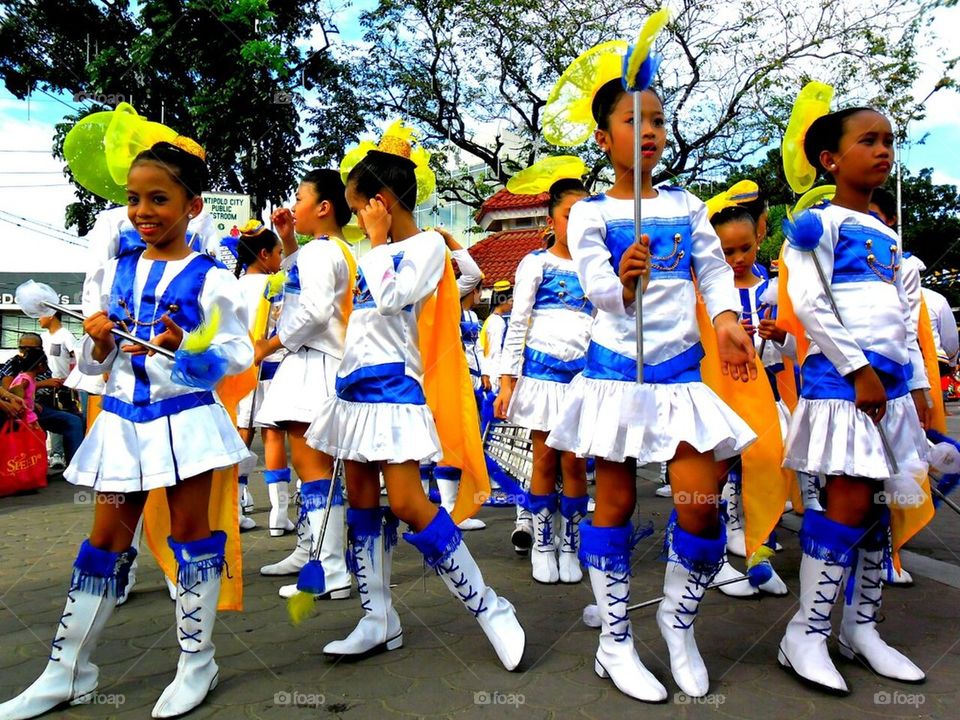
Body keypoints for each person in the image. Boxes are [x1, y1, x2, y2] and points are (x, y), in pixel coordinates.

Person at [0, 138, 253, 719]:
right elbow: (90, 371)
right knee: (106, 543)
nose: (142, 212)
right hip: (120, 426)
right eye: (135, 199)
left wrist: (184, 344)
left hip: (185, 424)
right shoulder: (110, 273)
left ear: (192, 206)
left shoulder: (213, 278)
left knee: (191, 539)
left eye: (158, 199)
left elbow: (235, 355)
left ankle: (198, 663)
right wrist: (98, 341)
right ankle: (68, 671)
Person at [545, 78, 757, 701]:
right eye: (633, 121)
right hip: (615, 376)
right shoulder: (589, 213)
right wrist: (624, 284)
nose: (650, 131)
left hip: (679, 375)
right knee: (613, 503)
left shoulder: (687, 206)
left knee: (699, 502)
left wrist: (724, 322)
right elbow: (596, 291)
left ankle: (677, 619)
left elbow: (714, 270)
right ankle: (614, 641)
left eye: (659, 120)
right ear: (603, 136)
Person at [305, 135, 525, 671]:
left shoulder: (426, 248)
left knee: (406, 502)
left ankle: (491, 606)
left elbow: (390, 299)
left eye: (359, 207)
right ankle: (377, 618)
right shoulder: (370, 251)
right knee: (360, 501)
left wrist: (378, 243)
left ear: (382, 199)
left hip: (394, 390)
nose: (357, 220)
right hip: (352, 392)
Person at [777, 106, 929, 692]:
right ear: (830, 160)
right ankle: (806, 633)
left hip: (888, 392)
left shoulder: (892, 238)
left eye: (889, 140)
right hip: (843, 387)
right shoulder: (817, 226)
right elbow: (812, 306)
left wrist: (914, 389)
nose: (884, 150)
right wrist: (858, 370)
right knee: (845, 500)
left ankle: (860, 627)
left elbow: (904, 318)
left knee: (878, 509)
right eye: (868, 140)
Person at [254, 169, 354, 602]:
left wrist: (270, 343)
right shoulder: (337, 249)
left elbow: (312, 310)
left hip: (312, 364)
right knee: (317, 470)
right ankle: (311, 552)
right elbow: (304, 286)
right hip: (323, 363)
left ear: (323, 207)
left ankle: (329, 568)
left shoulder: (321, 252)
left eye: (299, 199)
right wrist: (289, 239)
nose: (293, 207)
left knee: (314, 471)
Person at [495, 176, 593, 584]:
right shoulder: (535, 262)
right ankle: (543, 544)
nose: (579, 223)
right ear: (552, 218)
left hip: (584, 379)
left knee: (575, 463)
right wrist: (506, 380)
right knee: (544, 459)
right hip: (541, 376)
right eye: (571, 215)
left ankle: (571, 546)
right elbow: (517, 324)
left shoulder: (597, 268)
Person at [710, 192, 791, 597]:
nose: (737, 258)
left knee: (767, 466)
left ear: (759, 239)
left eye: (745, 248)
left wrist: (781, 335)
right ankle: (725, 540)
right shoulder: (708, 297)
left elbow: (797, 344)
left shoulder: (774, 290)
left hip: (771, 392)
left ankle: (761, 552)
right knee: (722, 471)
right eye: (727, 251)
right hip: (723, 394)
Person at [233, 222, 292, 535]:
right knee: (273, 436)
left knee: (242, 434)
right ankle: (279, 517)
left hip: (241, 370)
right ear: (264, 253)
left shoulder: (231, 286)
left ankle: (237, 503)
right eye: (279, 252)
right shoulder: (277, 285)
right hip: (272, 367)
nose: (281, 258)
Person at [429, 227, 487, 531]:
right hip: (424, 373)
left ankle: (451, 508)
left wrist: (449, 242)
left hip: (452, 375)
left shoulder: (445, 295)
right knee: (443, 440)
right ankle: (446, 509)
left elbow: (472, 273)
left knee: (454, 438)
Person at [1, 333, 85, 466]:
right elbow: (10, 392)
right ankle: (70, 463)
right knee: (73, 421)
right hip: (27, 409)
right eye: (23, 348)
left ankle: (74, 465)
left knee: (80, 418)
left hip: (47, 404)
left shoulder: (40, 363)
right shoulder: (13, 364)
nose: (26, 352)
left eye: (31, 349)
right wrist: (43, 384)